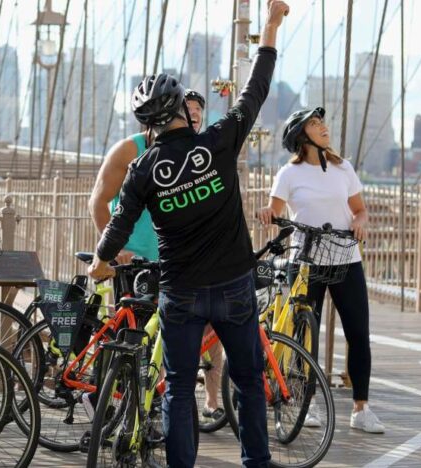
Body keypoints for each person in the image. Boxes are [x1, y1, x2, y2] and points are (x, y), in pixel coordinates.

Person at [89, 2, 289, 466]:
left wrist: (102, 259)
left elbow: (118, 223)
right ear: (182, 108)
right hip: (235, 285)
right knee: (249, 380)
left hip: (179, 293)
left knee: (179, 389)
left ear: (149, 123)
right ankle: (255, 463)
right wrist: (270, 26)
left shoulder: (143, 168)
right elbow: (255, 90)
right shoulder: (217, 142)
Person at [85, 89, 224, 421]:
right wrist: (116, 252)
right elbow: (97, 202)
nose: (187, 118)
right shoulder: (130, 149)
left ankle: (181, 405)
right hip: (135, 263)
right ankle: (107, 402)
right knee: (131, 339)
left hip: (177, 263)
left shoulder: (194, 149)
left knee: (181, 338)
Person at [257, 107, 384, 433]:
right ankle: (306, 403)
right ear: (302, 136)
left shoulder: (344, 168)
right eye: (315, 124)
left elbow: (360, 210)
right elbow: (274, 209)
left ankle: (361, 408)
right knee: (305, 334)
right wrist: (267, 214)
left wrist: (360, 222)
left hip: (346, 258)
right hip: (306, 261)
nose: (323, 127)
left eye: (322, 122)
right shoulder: (289, 173)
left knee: (358, 334)